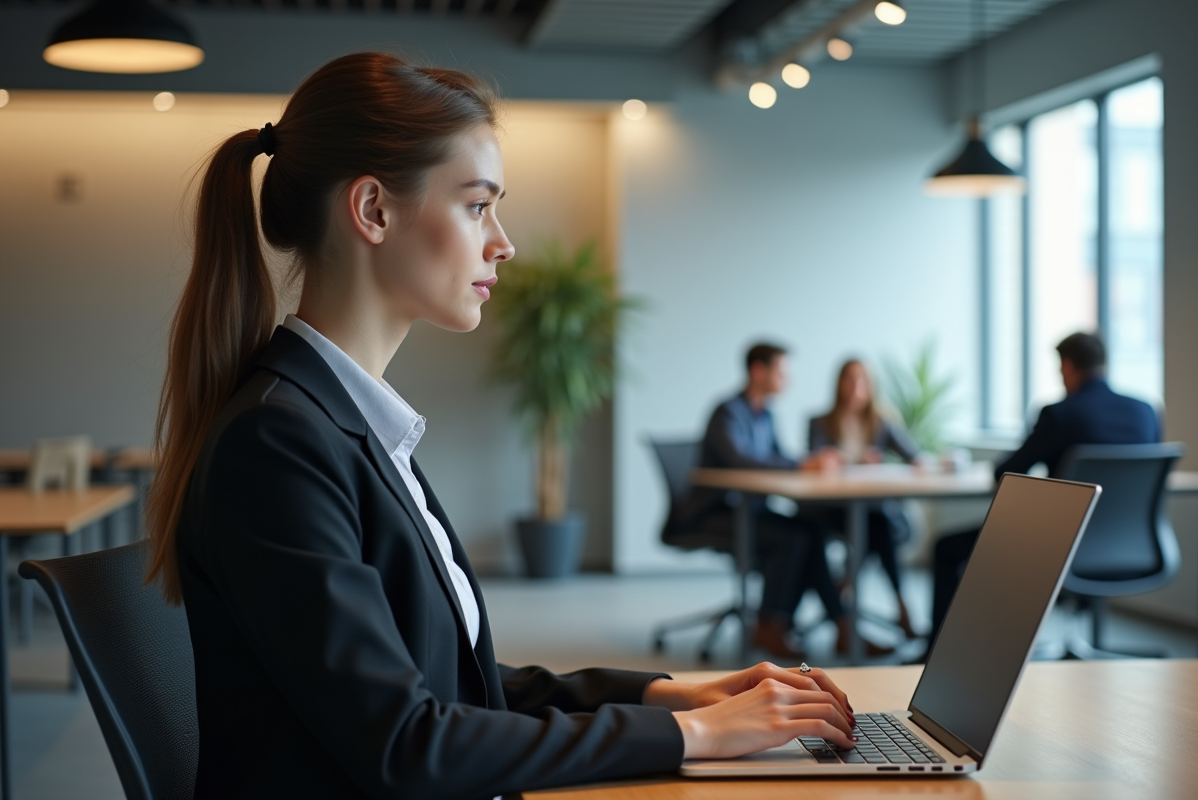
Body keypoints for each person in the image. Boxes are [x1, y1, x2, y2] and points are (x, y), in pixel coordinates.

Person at [144, 53, 856, 799]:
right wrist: (697, 738)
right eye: (478, 206)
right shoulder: (279, 443)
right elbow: (407, 745)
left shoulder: (341, 422)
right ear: (374, 210)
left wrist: (672, 698)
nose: (503, 242)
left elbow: (451, 682)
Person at [927, 332, 1160, 646]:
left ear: (1067, 366)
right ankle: (1093, 644)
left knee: (946, 548)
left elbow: (1007, 471)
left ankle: (935, 651)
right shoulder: (1145, 411)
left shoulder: (1060, 414)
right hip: (1132, 545)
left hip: (1059, 545)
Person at [678, 344, 892, 660]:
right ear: (758, 372)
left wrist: (810, 460)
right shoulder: (728, 412)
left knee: (812, 528)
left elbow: (776, 457)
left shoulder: (766, 414)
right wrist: (800, 465)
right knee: (793, 536)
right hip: (717, 512)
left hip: (751, 510)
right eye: (781, 371)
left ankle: (832, 625)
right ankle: (771, 622)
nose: (787, 379)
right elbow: (740, 461)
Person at [807, 358, 921, 639]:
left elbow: (914, 456)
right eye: (850, 379)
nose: (856, 387)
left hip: (869, 509)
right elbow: (817, 460)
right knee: (876, 529)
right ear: (840, 384)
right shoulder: (820, 422)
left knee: (877, 525)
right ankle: (898, 606)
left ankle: (848, 588)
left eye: (862, 381)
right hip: (832, 508)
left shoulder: (882, 421)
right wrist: (857, 459)